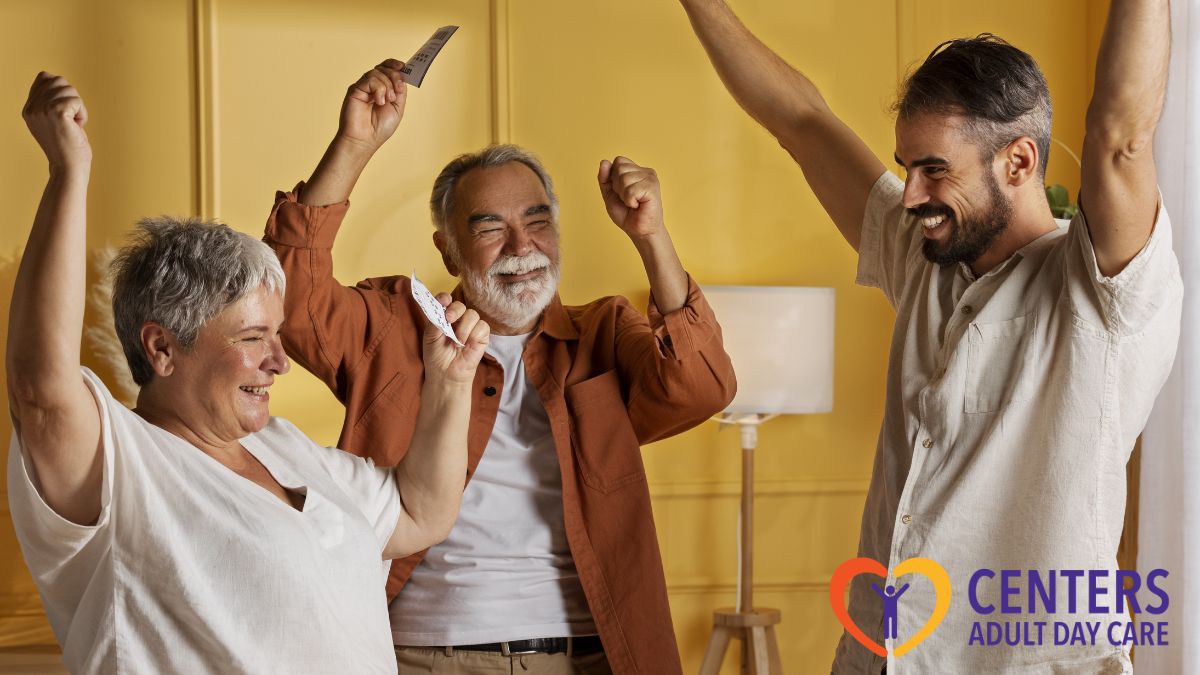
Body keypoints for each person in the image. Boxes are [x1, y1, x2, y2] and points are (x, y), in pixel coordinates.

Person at [677, 0, 1180, 672]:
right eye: (906, 167)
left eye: (935, 169)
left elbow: (1120, 136)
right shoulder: (923, 255)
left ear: (1020, 162)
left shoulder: (1099, 293)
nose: (911, 195)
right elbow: (800, 122)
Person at [263, 59, 736, 674]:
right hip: (423, 657)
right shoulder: (395, 328)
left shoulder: (604, 333)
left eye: (537, 221)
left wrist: (652, 236)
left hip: (589, 658)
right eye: (491, 229)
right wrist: (354, 144)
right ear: (449, 248)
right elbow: (290, 296)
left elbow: (701, 386)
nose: (522, 247)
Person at [6, 72, 489, 674]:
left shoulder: (283, 448)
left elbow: (420, 514)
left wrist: (450, 380)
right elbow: (40, 391)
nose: (280, 362)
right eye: (252, 338)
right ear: (161, 349)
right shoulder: (121, 464)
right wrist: (67, 171)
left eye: (276, 335)